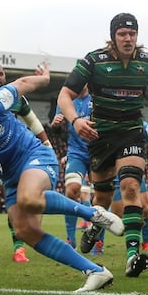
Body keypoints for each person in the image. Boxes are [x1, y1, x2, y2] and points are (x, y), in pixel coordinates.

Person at [0, 64, 124, 292]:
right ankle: (95, 272)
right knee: (24, 231)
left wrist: (46, 79)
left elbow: (22, 84)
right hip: (11, 178)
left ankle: (94, 214)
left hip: (34, 154)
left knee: (28, 198)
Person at [57, 12, 148, 278]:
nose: (128, 38)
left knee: (130, 186)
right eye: (122, 34)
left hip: (131, 133)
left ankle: (132, 256)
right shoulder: (94, 61)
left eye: (132, 33)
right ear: (113, 36)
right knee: (102, 198)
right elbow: (65, 95)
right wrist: (76, 120)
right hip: (99, 136)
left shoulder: (147, 63)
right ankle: (94, 227)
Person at [0, 60, 50, 263]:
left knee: (17, 201)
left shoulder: (14, 95)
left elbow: (32, 120)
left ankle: (19, 248)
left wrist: (46, 143)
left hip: (13, 156)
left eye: (1, 74)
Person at [50, 84, 93, 249]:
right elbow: (58, 134)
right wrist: (56, 125)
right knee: (72, 190)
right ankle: (70, 239)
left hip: (98, 151)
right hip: (76, 153)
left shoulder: (97, 100)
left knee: (100, 197)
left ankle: (98, 240)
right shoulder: (65, 102)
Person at [109, 121, 148, 253]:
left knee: (144, 209)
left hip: (134, 171)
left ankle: (146, 242)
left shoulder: (142, 125)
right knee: (117, 214)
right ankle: (98, 242)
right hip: (114, 174)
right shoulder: (108, 124)